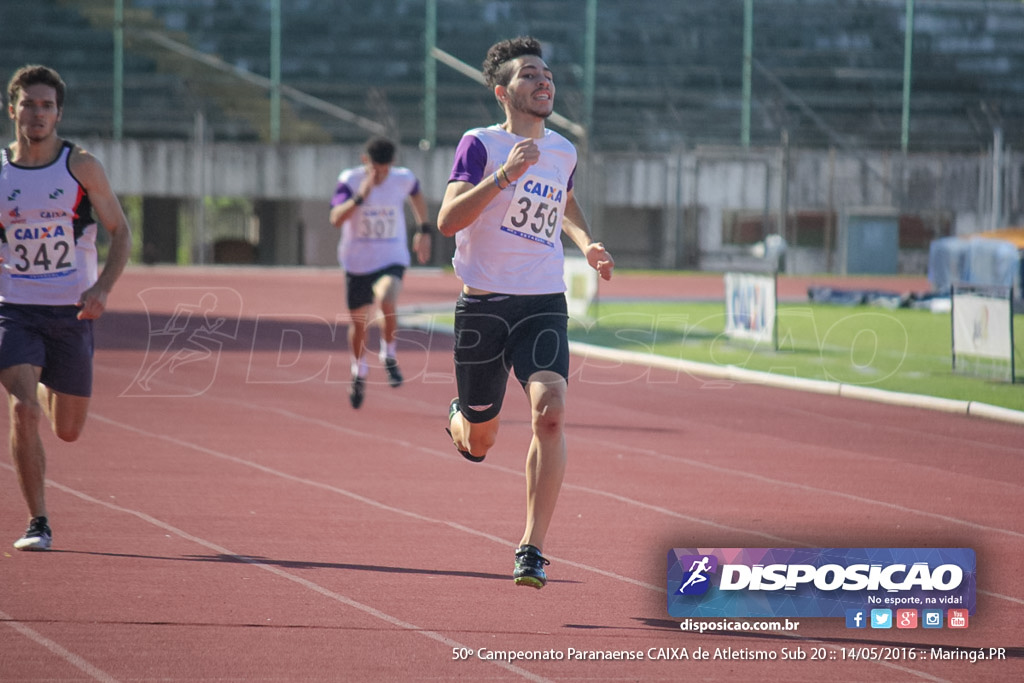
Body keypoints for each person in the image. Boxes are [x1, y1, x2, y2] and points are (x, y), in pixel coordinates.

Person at [437, 37, 614, 588]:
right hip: (484, 308)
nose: (544, 82)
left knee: (551, 413)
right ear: (503, 92)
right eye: (530, 75)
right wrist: (505, 175)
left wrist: (585, 241)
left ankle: (531, 548)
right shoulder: (480, 145)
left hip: (542, 302)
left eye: (548, 75)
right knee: (481, 441)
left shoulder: (563, 149)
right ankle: (461, 421)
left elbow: (564, 199)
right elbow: (447, 221)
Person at [0, 65, 133, 550]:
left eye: (47, 106)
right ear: (11, 108)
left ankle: (40, 375)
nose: (38, 113)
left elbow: (120, 232)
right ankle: (39, 522)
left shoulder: (80, 166)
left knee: (69, 430)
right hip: (13, 307)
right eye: (29, 104)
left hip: (71, 312)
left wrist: (102, 287)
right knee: (22, 411)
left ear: (59, 113)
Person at [329, 136, 431, 409]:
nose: (382, 174)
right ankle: (358, 370)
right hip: (357, 262)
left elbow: (417, 194)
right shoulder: (349, 180)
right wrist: (361, 195)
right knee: (360, 324)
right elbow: (336, 218)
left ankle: (389, 354)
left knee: (387, 296)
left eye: (386, 169)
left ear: (392, 164)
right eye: (376, 168)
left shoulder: (402, 178)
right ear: (366, 161)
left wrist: (424, 230)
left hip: (391, 256)